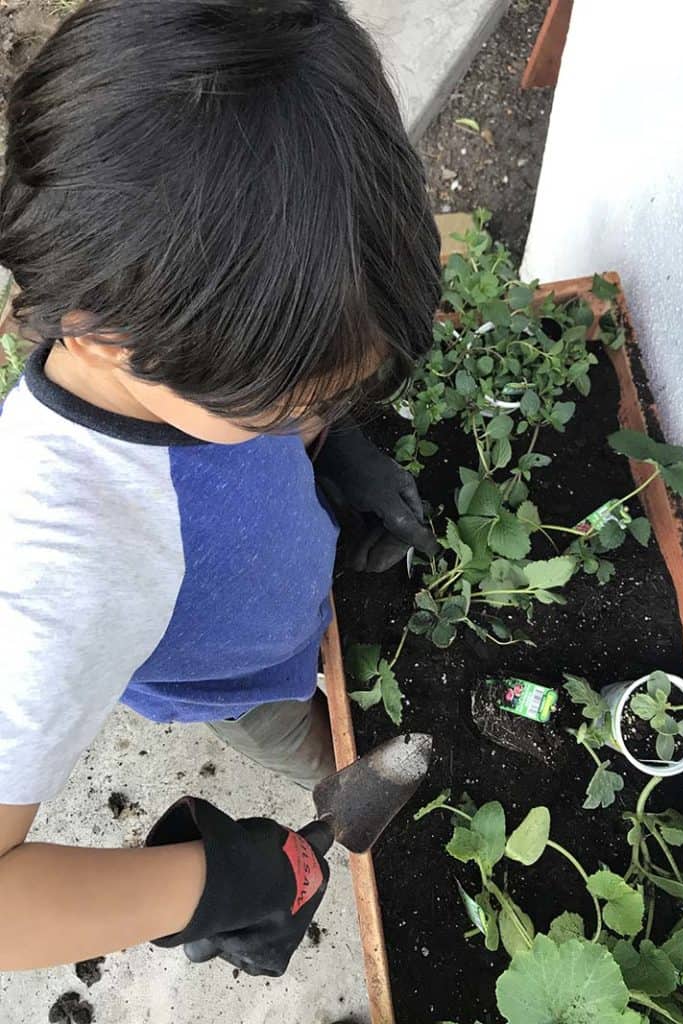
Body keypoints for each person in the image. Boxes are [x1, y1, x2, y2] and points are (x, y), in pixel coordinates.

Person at [0, 0, 440, 982]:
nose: (308, 414)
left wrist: (331, 445)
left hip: (276, 603)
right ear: (101, 333)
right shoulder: (58, 569)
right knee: (306, 737)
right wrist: (216, 883)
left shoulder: (186, 327)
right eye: (284, 404)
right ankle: (327, 763)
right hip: (236, 680)